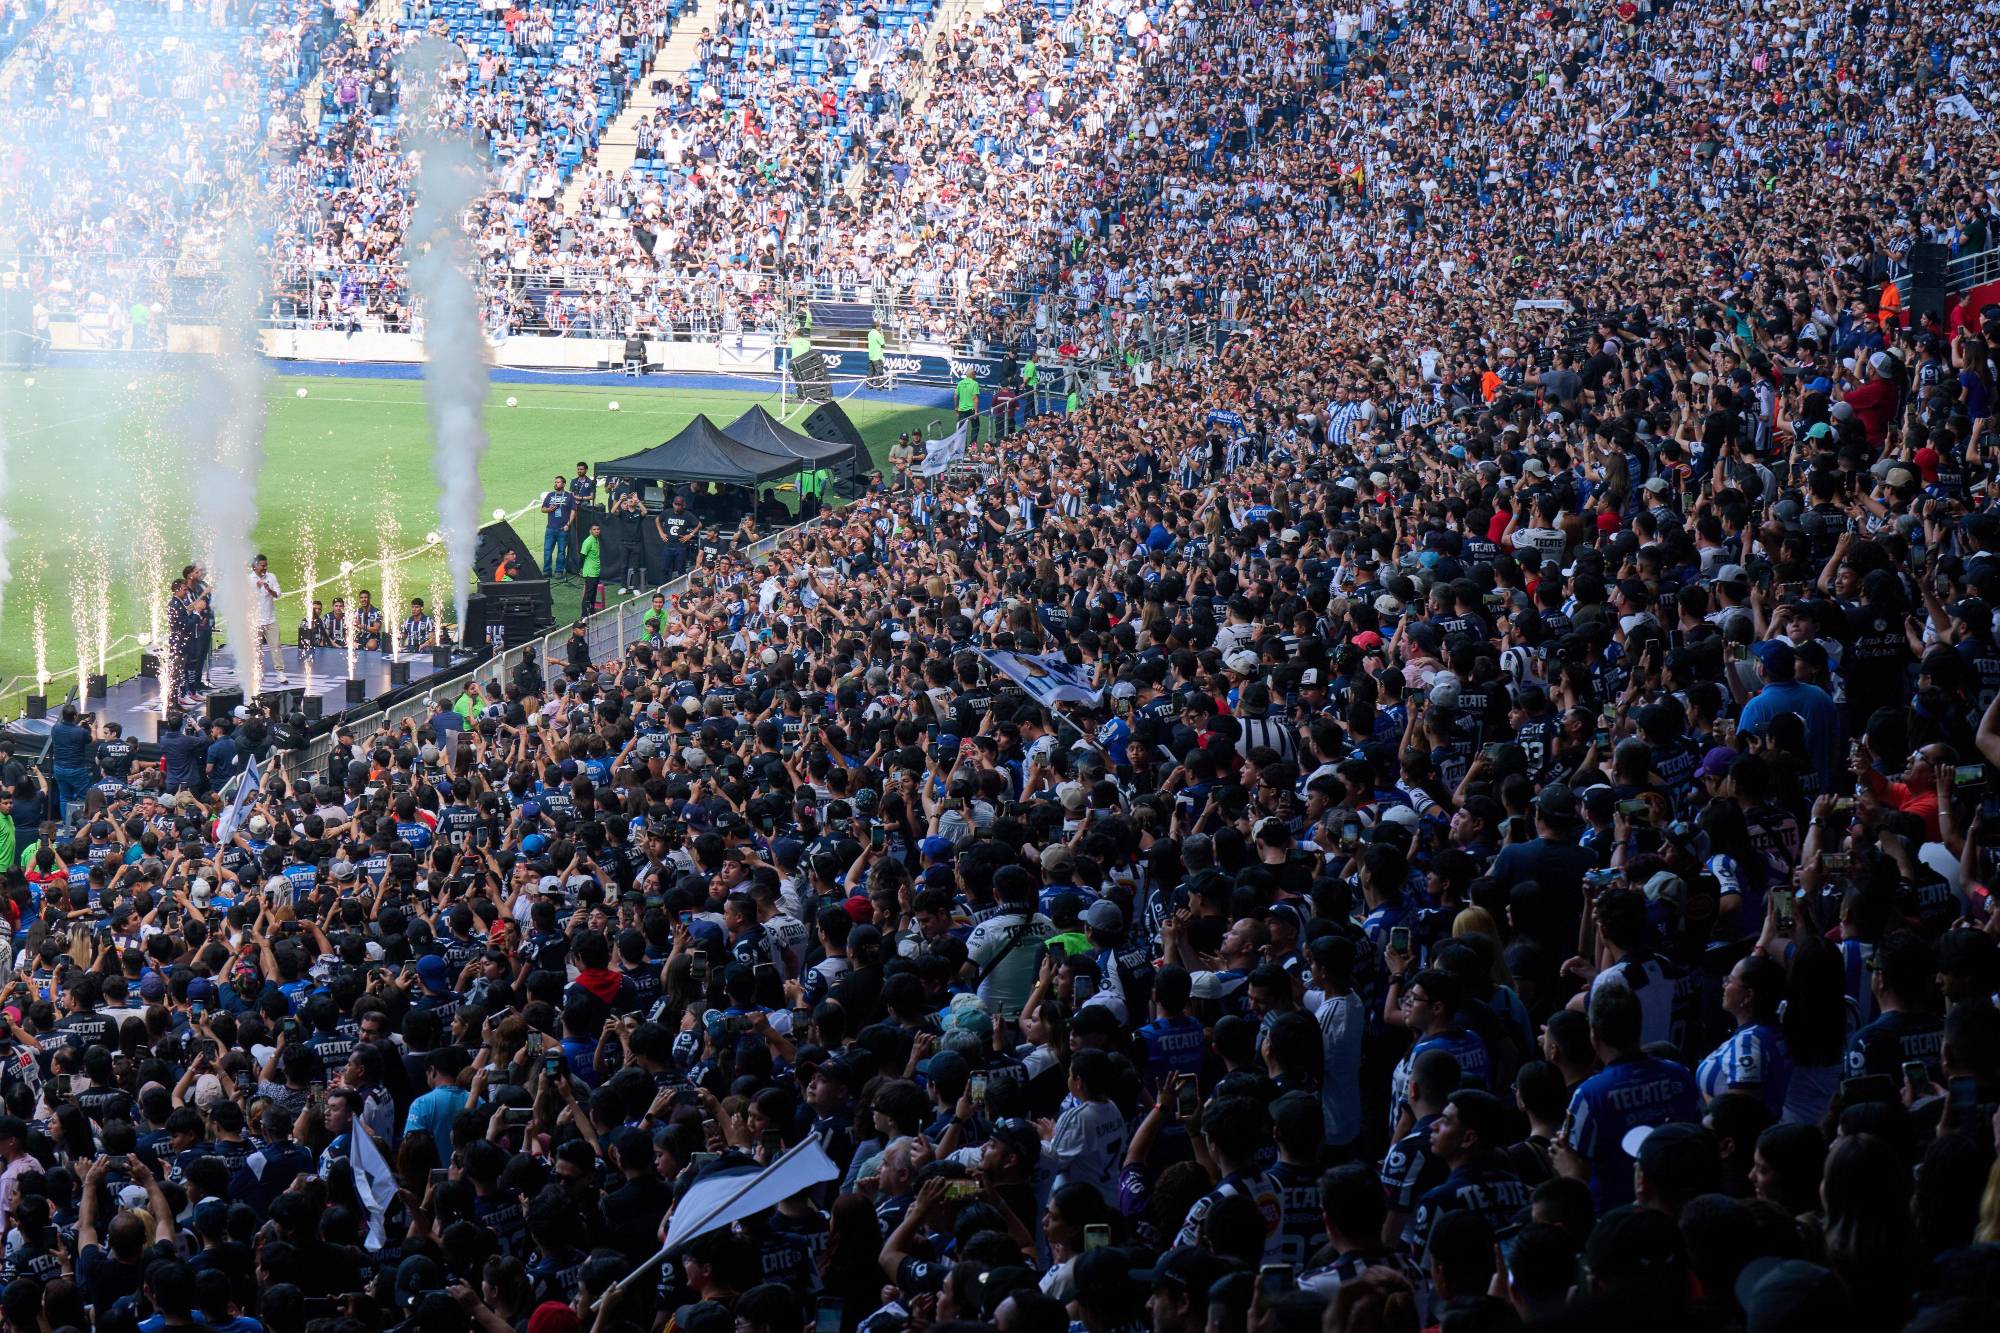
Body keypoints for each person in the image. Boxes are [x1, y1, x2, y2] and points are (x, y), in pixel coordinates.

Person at [541, 474, 577, 577]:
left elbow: (573, 511)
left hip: (563, 529)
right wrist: (549, 509)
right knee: (547, 550)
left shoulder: (569, 496)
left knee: (561, 551)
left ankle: (559, 571)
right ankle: (547, 570)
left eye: (558, 482)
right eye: (555, 482)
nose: (556, 484)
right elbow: (542, 509)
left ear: (564, 484)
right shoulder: (550, 495)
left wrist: (568, 524)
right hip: (551, 528)